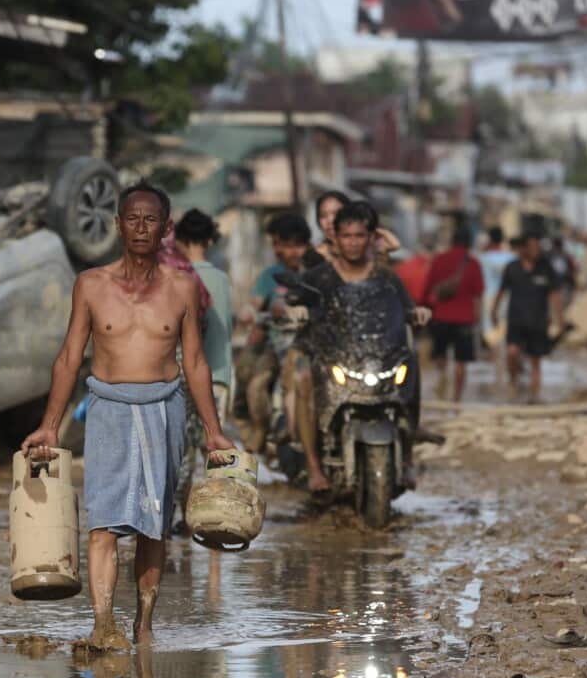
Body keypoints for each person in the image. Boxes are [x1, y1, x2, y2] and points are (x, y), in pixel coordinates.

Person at [22, 181, 233, 650]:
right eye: (132, 219)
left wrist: (214, 432)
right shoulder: (91, 284)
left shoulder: (183, 287)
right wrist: (49, 426)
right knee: (103, 523)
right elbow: (69, 358)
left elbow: (195, 361)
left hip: (164, 409)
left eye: (150, 219)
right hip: (108, 411)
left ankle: (143, 623)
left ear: (166, 228)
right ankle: (102, 623)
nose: (141, 227)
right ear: (117, 225)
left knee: (153, 526)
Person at [290, 202, 431, 492]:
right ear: (336, 238)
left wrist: (418, 313)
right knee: (303, 379)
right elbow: (290, 302)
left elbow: (407, 308)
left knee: (411, 363)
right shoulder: (319, 277)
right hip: (333, 358)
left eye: (359, 236)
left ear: (370, 238)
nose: (353, 242)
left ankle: (407, 457)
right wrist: (295, 311)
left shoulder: (386, 277)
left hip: (377, 358)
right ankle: (313, 466)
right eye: (347, 236)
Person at [172, 209, 234, 533]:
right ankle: (214, 520)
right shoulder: (221, 279)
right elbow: (226, 334)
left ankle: (182, 516)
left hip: (184, 376)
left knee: (183, 451)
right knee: (214, 451)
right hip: (218, 375)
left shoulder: (174, 277)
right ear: (210, 240)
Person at [235, 213, 313, 452]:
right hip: (278, 345)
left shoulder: (316, 272)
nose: (292, 252)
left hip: (312, 344)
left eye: (298, 245)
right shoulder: (270, 275)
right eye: (287, 245)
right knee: (255, 384)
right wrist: (249, 312)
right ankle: (259, 431)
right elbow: (255, 303)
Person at [490, 232, 564, 404]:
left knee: (535, 362)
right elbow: (501, 291)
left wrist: (560, 320)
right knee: (512, 353)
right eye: (532, 247)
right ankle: (513, 382)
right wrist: (493, 312)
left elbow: (554, 295)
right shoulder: (512, 268)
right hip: (516, 321)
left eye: (537, 246)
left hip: (538, 322)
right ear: (523, 248)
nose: (535, 250)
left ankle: (533, 398)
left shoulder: (546, 268)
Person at [424, 224, 484, 402]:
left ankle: (442, 383)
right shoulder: (473, 263)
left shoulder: (439, 260)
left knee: (440, 355)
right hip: (465, 319)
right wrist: (478, 319)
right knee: (461, 362)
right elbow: (478, 294)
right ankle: (457, 399)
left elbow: (428, 289)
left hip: (441, 316)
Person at [478, 227, 515, 343]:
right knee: (506, 330)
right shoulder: (512, 258)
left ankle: (495, 352)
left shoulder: (483, 258)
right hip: (507, 297)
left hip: (489, 297)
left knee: (491, 332)